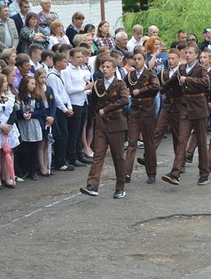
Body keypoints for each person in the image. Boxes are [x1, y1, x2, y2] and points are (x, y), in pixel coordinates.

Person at [79, 55, 130, 199]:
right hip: (102, 125)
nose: (105, 69)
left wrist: (106, 110)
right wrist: (93, 117)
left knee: (118, 157)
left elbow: (124, 100)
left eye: (108, 67)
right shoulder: (98, 84)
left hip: (116, 124)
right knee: (98, 155)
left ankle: (120, 187)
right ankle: (92, 185)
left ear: (114, 69)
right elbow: (94, 103)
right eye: (103, 67)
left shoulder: (120, 84)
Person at [162, 44, 211, 186]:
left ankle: (204, 173)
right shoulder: (181, 68)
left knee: (201, 141)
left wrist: (187, 80)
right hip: (185, 107)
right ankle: (175, 172)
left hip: (199, 107)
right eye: (186, 53)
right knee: (182, 140)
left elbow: (206, 83)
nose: (188, 55)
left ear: (196, 55)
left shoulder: (201, 69)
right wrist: (162, 88)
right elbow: (173, 81)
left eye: (190, 53)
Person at [124, 49, 160, 184]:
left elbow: (156, 86)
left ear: (144, 60)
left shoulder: (150, 74)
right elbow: (122, 86)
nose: (136, 61)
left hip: (147, 109)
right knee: (132, 142)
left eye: (139, 59)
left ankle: (151, 172)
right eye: (135, 59)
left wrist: (141, 91)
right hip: (134, 110)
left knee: (149, 142)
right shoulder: (130, 75)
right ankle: (127, 173)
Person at [62, 48, 94, 168]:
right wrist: (85, 88)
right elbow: (69, 89)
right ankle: (72, 156)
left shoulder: (81, 70)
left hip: (83, 101)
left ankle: (79, 154)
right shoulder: (67, 71)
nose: (80, 59)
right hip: (74, 103)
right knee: (74, 132)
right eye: (78, 57)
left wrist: (88, 89)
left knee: (81, 130)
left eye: (81, 57)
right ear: (70, 58)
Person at [47, 53, 74, 172]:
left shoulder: (60, 74)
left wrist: (69, 106)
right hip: (58, 109)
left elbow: (64, 92)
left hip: (64, 107)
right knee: (62, 135)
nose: (66, 64)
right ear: (57, 63)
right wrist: (64, 109)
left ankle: (62, 159)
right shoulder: (52, 76)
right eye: (64, 61)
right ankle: (60, 161)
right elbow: (56, 96)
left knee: (65, 134)